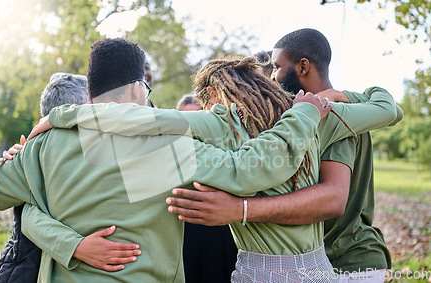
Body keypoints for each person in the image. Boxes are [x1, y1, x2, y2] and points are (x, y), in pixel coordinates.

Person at [24, 50, 398, 281]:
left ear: (215, 95)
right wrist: (338, 96)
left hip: (258, 271)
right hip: (316, 270)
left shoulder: (220, 122)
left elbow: (139, 120)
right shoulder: (318, 114)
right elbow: (387, 108)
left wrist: (62, 117)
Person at [166, 29, 397, 282]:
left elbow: (332, 200)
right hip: (316, 257)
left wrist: (240, 209)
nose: (273, 79)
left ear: (303, 67)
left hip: (348, 258)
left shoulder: (326, 114)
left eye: (276, 68)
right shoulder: (282, 120)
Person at [0, 73, 140, 282]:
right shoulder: (38, 155)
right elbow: (27, 214)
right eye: (90, 112)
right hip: (26, 269)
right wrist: (76, 247)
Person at [176, 93, 235, 282]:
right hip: (185, 236)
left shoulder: (225, 154)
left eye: (199, 118)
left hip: (223, 235)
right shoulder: (170, 158)